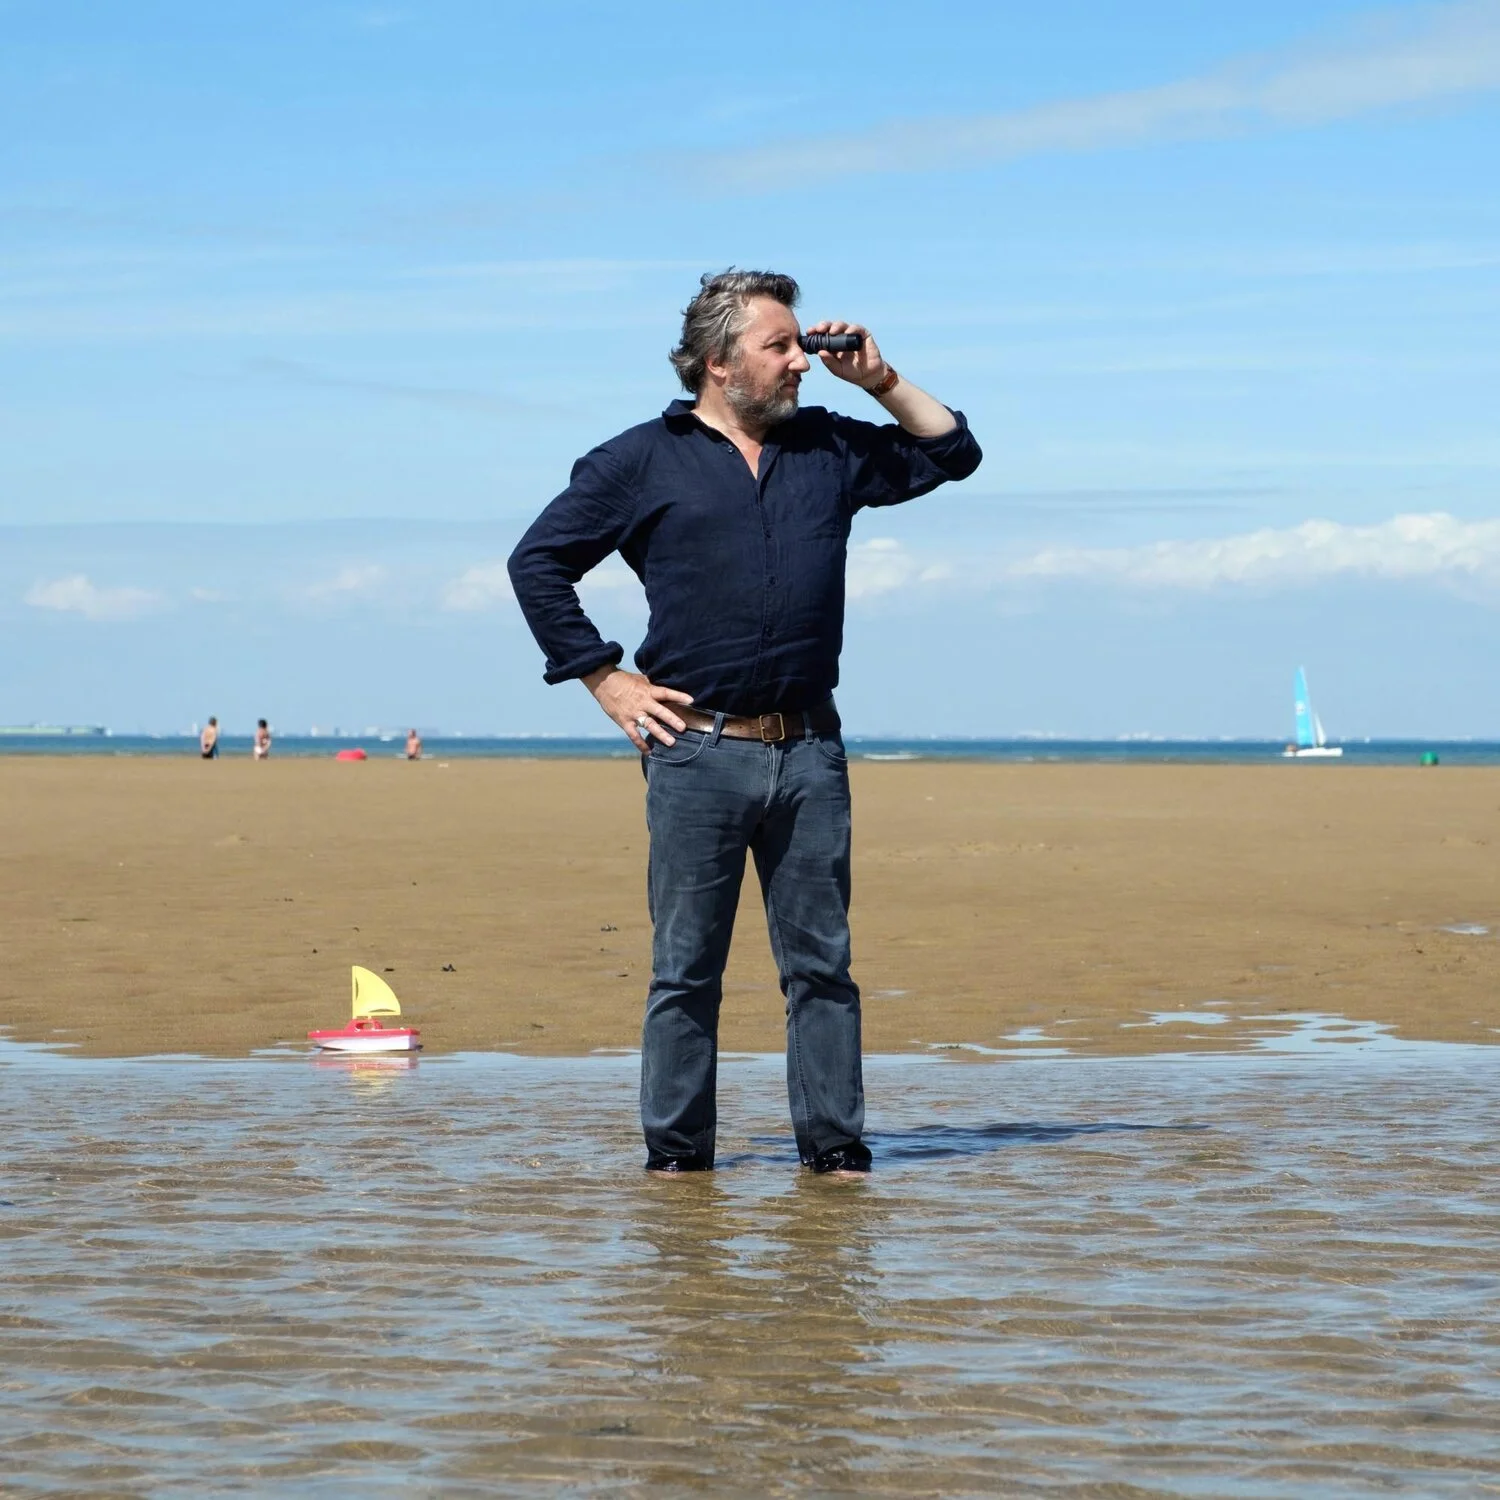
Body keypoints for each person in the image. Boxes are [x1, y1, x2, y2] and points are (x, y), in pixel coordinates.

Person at [508, 269, 981, 1175]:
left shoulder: (828, 446)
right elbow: (538, 563)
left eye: (802, 343)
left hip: (810, 750)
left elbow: (952, 452)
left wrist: (880, 380)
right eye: (781, 346)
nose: (801, 360)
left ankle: (834, 1152)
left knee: (823, 970)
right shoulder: (639, 460)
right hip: (695, 750)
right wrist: (605, 679)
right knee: (686, 970)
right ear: (719, 363)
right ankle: (679, 1158)